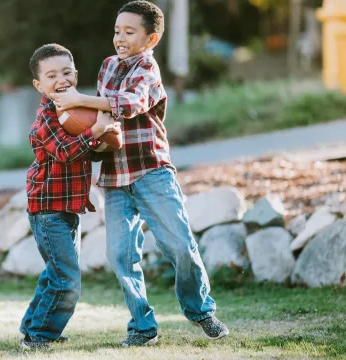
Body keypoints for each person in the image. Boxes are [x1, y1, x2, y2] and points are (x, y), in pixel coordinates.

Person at [49, 1, 229, 347]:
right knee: (120, 256)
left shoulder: (147, 67)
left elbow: (129, 105)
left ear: (151, 38)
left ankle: (200, 310)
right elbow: (104, 120)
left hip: (151, 172)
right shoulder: (106, 67)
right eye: (117, 31)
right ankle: (143, 326)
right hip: (115, 178)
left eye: (129, 32)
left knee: (179, 246)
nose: (120, 38)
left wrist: (78, 99)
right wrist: (88, 130)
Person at [20, 43, 120, 350]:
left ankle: (32, 326)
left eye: (66, 72)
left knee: (56, 273)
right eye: (51, 75)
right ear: (39, 85)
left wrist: (104, 137)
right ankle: (40, 336)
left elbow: (90, 151)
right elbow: (64, 152)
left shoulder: (79, 111)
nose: (61, 79)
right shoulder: (45, 120)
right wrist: (96, 132)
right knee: (67, 280)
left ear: (75, 74)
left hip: (69, 209)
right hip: (47, 211)